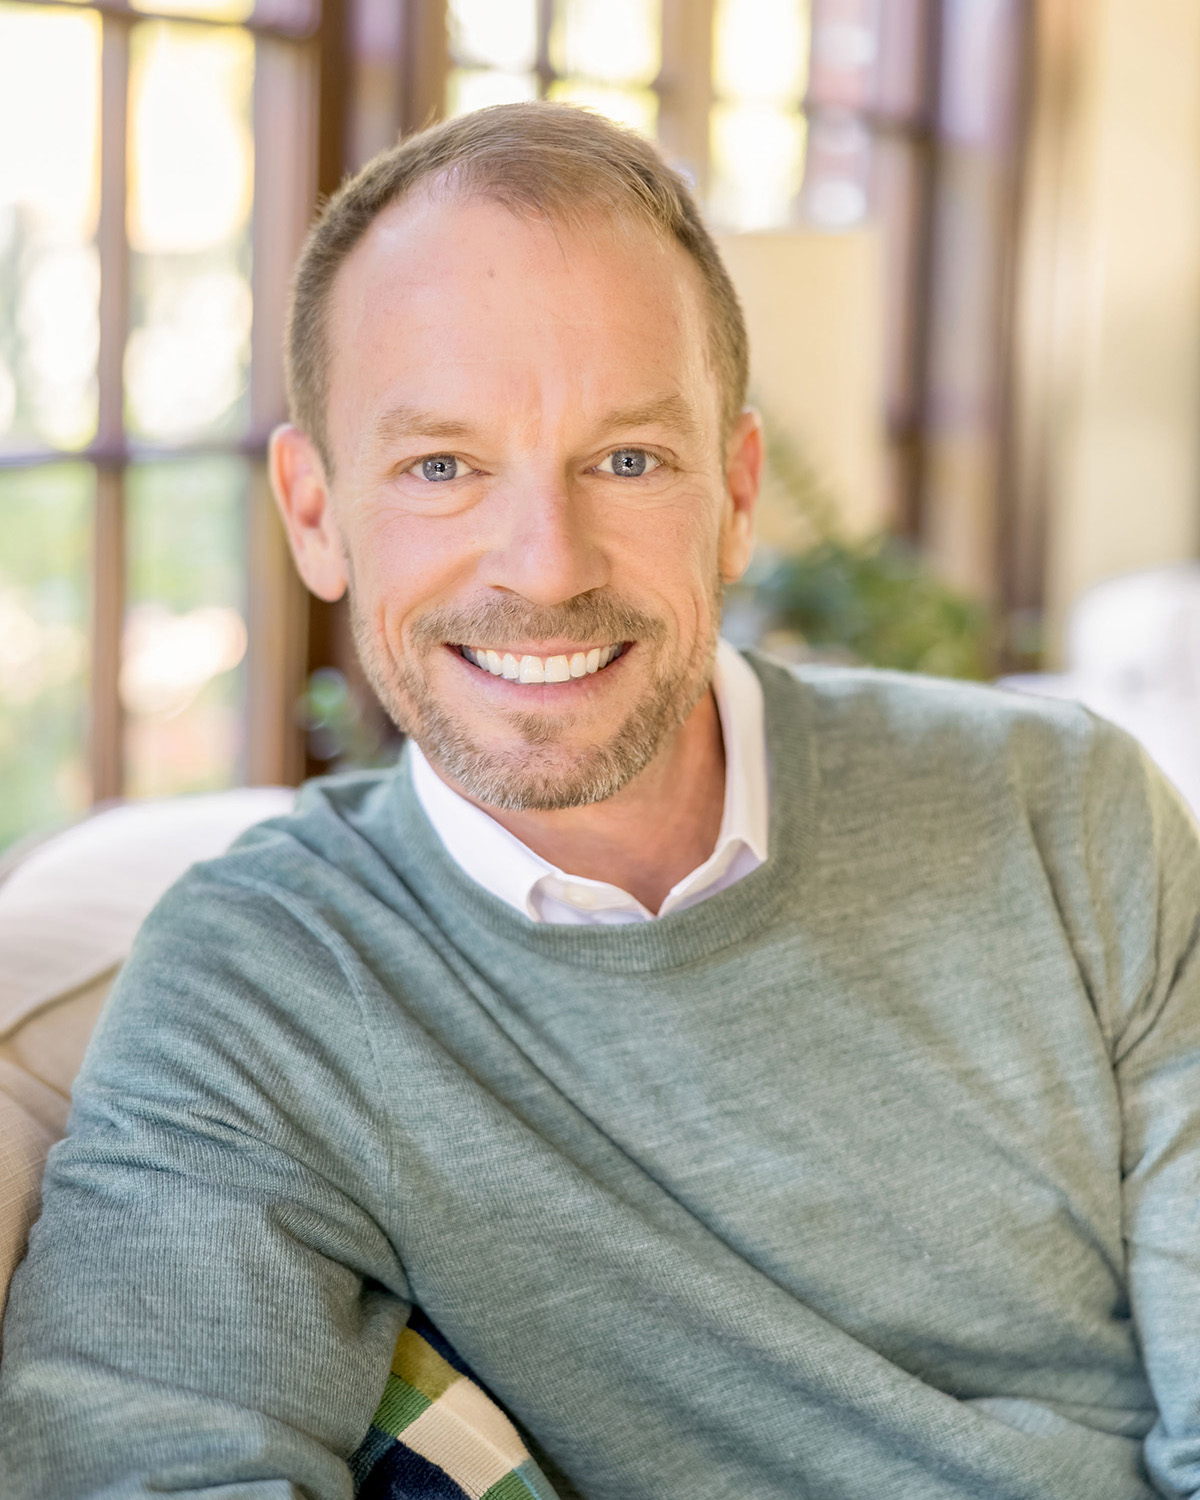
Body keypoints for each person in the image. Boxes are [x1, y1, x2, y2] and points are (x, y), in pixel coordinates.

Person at [2, 101, 1200, 1500]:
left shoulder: (1065, 810)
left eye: (627, 459)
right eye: (442, 467)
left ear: (737, 491)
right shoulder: (264, 989)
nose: (547, 563)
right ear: (315, 510)